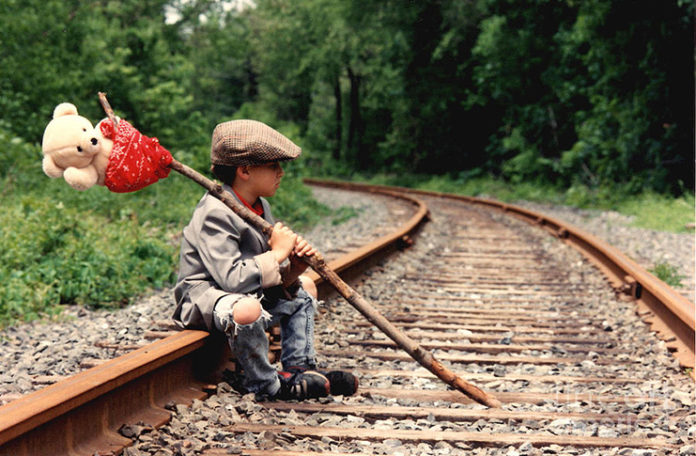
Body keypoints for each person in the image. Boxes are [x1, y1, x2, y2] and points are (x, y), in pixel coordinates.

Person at [173, 119, 357, 400]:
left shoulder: (260, 204)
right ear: (244, 170)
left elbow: (261, 277)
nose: (281, 172)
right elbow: (232, 279)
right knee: (247, 310)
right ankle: (266, 383)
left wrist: (293, 270)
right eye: (273, 166)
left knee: (305, 288)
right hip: (206, 298)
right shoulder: (215, 211)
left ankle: (299, 369)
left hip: (245, 294)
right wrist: (277, 253)